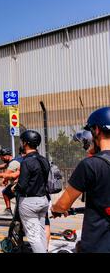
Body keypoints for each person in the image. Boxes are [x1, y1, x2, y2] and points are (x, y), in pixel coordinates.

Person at [52, 107, 110, 253]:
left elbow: (62, 205)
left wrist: (56, 209)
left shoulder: (90, 165)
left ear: (96, 130)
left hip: (97, 244)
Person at [13, 130, 50, 253]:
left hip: (29, 202)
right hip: (43, 200)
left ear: (26, 143)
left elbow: (22, 185)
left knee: (33, 238)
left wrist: (15, 187)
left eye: (22, 141)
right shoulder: (44, 159)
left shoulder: (27, 161)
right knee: (41, 233)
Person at [0, 148, 21, 218]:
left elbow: (5, 175)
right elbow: (4, 166)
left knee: (17, 199)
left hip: (18, 185)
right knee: (5, 192)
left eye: (1, 156)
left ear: (7, 156)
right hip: (16, 184)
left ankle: (18, 215)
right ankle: (8, 210)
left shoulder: (13, 163)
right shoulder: (12, 161)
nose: (1, 158)